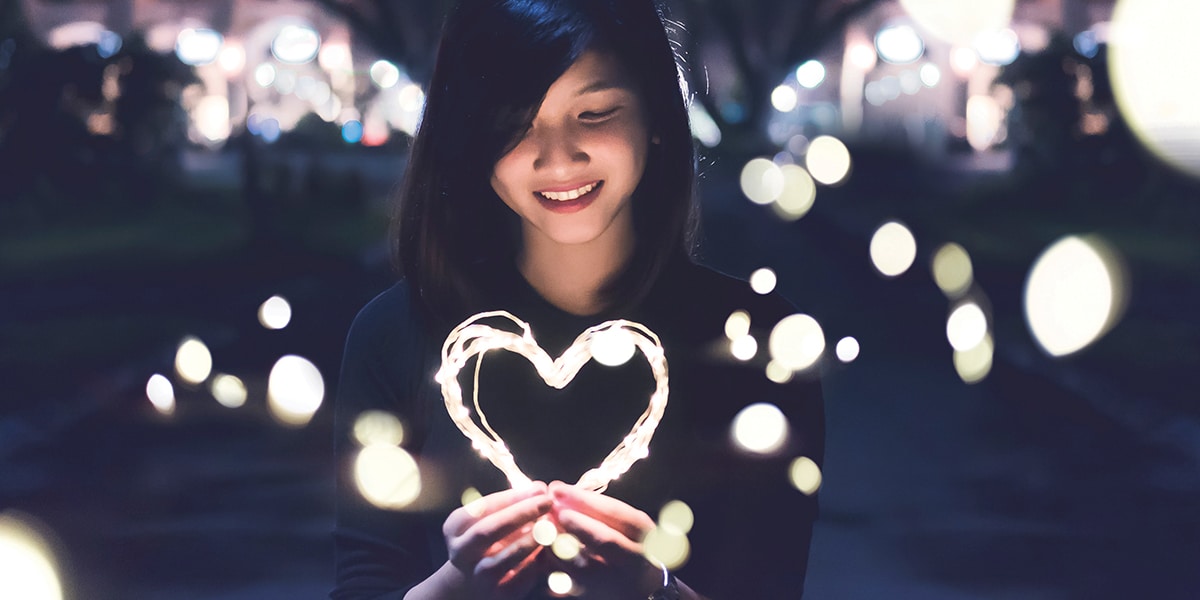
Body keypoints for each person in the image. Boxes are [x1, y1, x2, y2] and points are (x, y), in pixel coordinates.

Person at [332, 0, 825, 598]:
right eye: (514, 123)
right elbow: (366, 576)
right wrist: (457, 586)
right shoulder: (395, 334)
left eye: (594, 113)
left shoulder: (756, 340)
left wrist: (652, 586)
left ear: (656, 116)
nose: (557, 156)